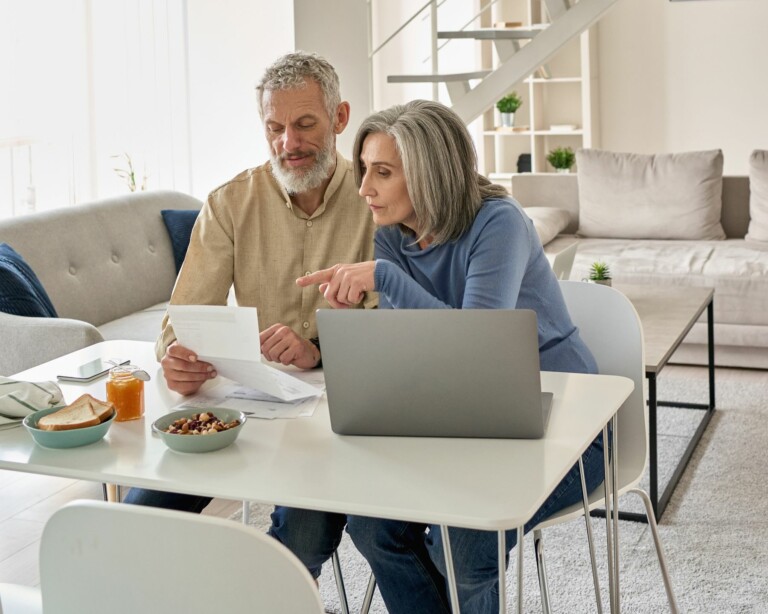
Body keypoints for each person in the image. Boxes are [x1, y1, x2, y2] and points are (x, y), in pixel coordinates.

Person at [297, 99, 605, 613]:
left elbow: (476, 346)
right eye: (364, 170)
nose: (363, 188)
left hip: (569, 421)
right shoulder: (392, 237)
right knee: (372, 525)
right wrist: (350, 325)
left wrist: (385, 280)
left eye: (382, 173)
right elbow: (425, 354)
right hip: (465, 419)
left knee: (464, 543)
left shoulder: (498, 222)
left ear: (430, 174)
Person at [123, 51, 376, 582]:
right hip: (249, 408)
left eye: (305, 124)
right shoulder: (229, 203)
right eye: (275, 128)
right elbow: (182, 318)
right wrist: (178, 357)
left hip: (343, 417)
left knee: (301, 538)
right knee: (138, 517)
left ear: (339, 118)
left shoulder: (378, 199)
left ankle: (251, 594)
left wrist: (319, 351)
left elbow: (405, 329)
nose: (290, 143)